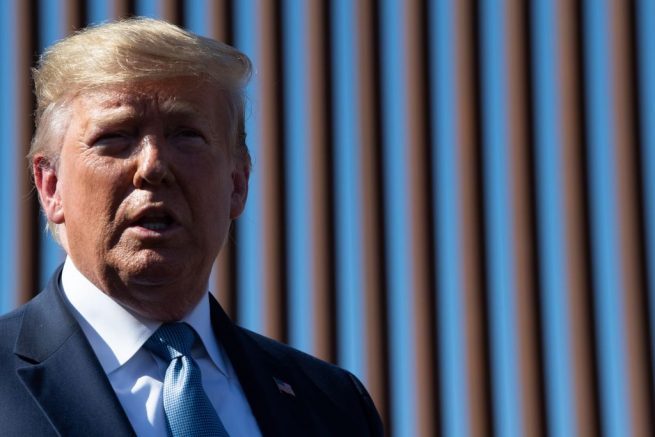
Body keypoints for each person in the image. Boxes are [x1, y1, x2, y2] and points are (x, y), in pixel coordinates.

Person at [0, 18, 382, 436]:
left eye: (187, 135)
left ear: (238, 183)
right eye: (115, 136)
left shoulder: (334, 404)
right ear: (51, 186)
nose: (153, 166)